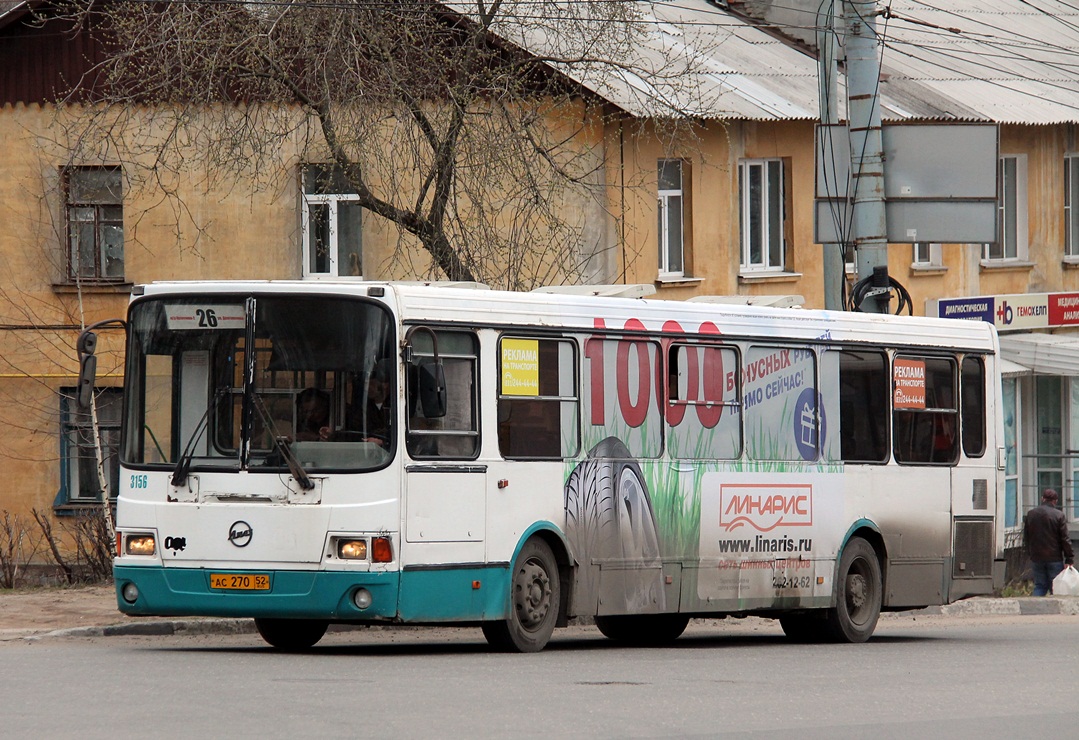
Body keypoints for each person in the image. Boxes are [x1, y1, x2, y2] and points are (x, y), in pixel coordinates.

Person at [1023, 488, 1075, 596]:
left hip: (1036, 557)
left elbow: (1026, 536)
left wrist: (1030, 553)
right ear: (1055, 501)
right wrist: (1069, 558)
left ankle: (1035, 609)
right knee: (1055, 586)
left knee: (1040, 585)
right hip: (1054, 558)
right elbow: (1065, 539)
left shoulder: (1031, 514)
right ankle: (1055, 611)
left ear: (1042, 499)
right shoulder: (1059, 515)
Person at [361, 362, 392, 446]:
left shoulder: (397, 407)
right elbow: (353, 429)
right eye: (366, 383)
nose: (368, 387)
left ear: (386, 384)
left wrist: (382, 443)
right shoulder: (363, 408)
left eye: (372, 383)